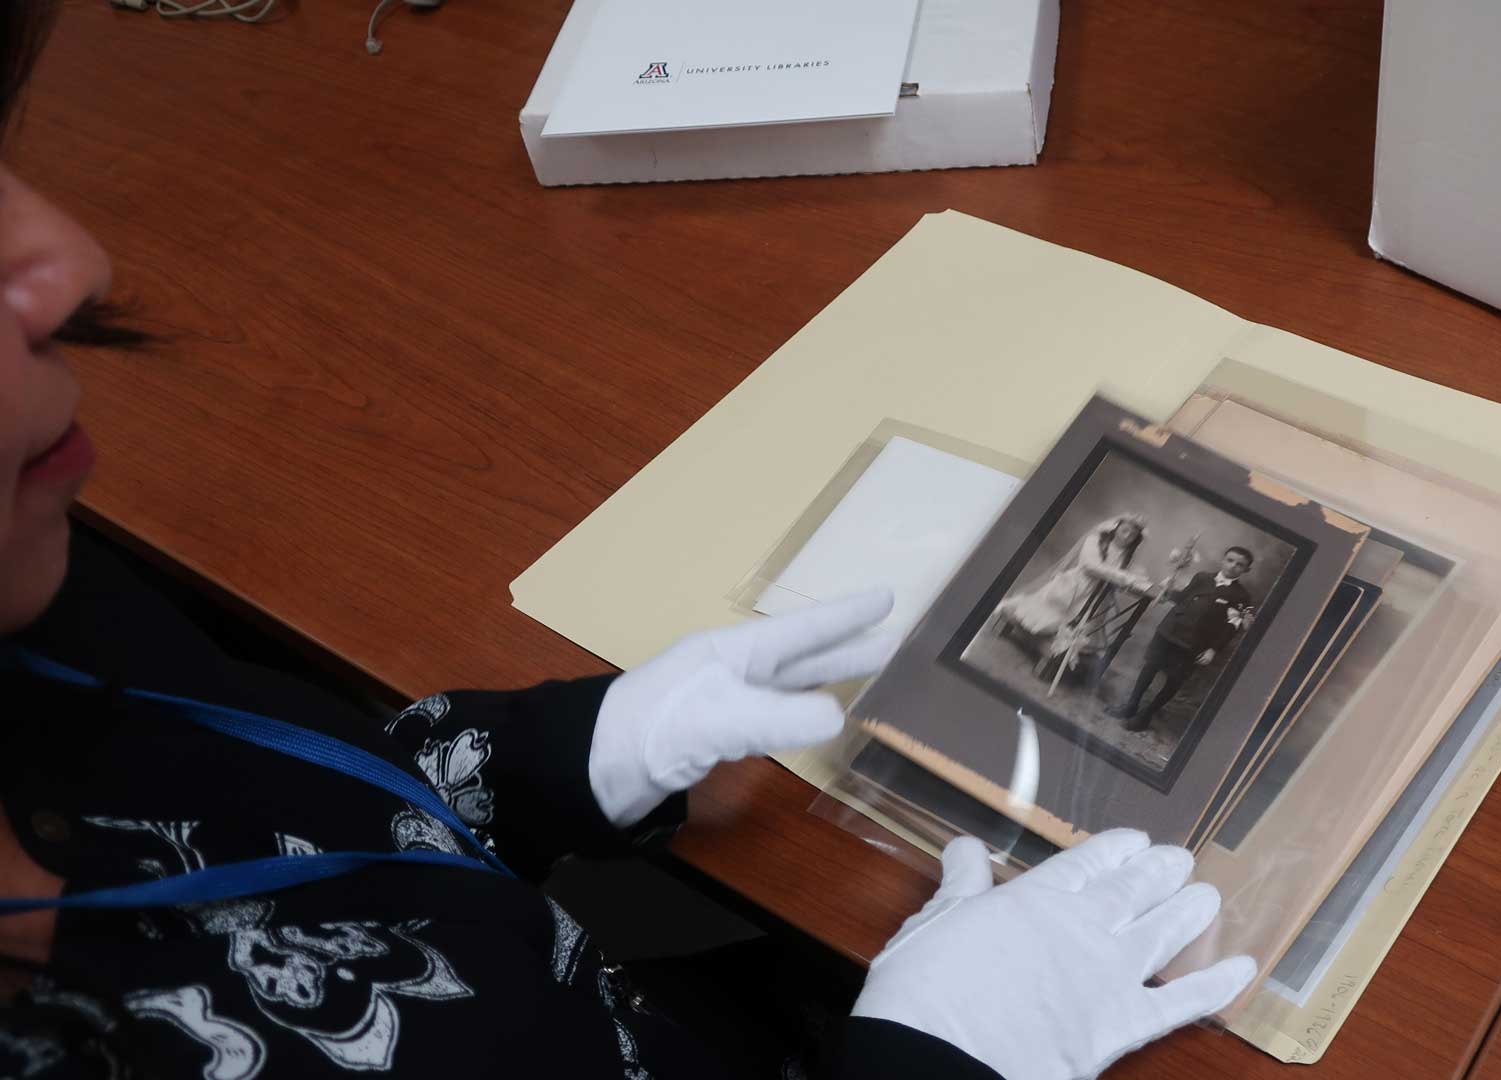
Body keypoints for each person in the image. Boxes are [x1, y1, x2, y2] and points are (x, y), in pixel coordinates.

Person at [0, 3, 1255, 1077]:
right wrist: (937, 1060)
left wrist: (553, 756)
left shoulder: (44, 583)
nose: (72, 263)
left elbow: (289, 819)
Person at [1105, 547, 1255, 734]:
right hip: (1170, 630)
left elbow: (1231, 627)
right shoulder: (1202, 578)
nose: (1233, 566)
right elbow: (1183, 598)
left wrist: (1212, 649)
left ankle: (1146, 715)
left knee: (1174, 680)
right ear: (1223, 560)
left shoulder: (1241, 596)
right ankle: (1131, 705)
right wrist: (1168, 589)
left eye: (1240, 565)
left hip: (1195, 643)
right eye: (1230, 560)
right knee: (1151, 666)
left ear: (1246, 570)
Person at [991, 515, 1154, 672]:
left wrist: (1140, 578)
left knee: (1083, 626)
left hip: (1096, 595)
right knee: (1050, 616)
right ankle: (1038, 636)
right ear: (1116, 527)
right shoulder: (1095, 540)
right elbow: (1091, 566)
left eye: (1132, 535)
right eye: (1124, 530)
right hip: (1077, 585)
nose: (1127, 537)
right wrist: (1124, 577)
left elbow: (1134, 572)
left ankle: (1062, 647)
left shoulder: (1127, 554)